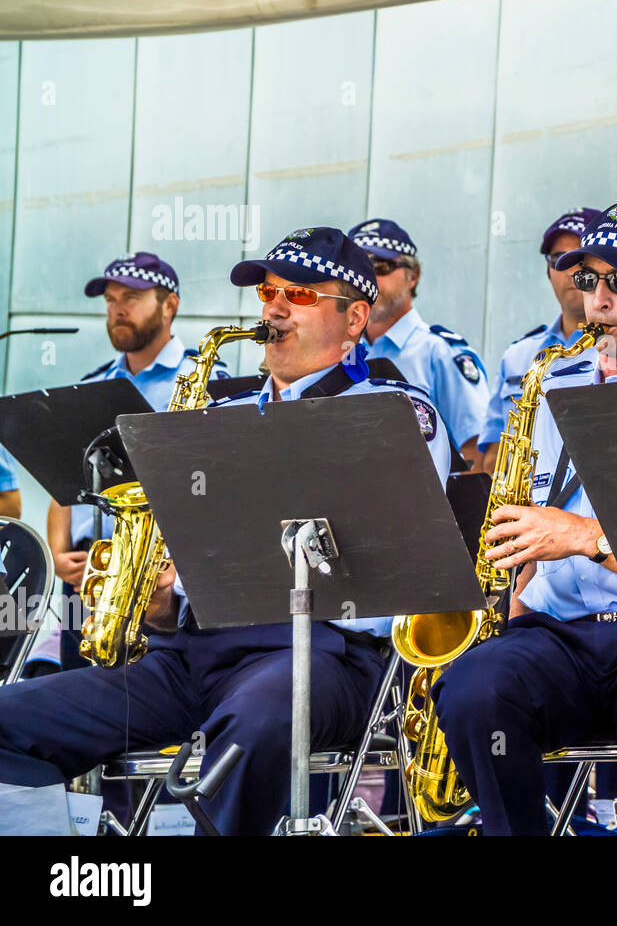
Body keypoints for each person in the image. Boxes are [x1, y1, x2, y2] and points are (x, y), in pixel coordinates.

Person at [0, 227, 451, 835]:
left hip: (326, 655)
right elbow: (180, 586)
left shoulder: (398, 412)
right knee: (12, 715)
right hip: (193, 657)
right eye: (269, 292)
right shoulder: (216, 415)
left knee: (257, 719)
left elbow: (403, 572)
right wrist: (158, 601)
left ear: (354, 320)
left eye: (300, 294)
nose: (275, 306)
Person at [433, 200, 617, 836]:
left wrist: (584, 539)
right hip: (559, 633)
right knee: (472, 690)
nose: (596, 299)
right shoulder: (547, 392)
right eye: (586, 279)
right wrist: (511, 596)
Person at [47, 253, 223, 671]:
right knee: (74, 709)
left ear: (170, 305)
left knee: (139, 715)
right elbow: (64, 484)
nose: (117, 309)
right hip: (85, 576)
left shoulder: (209, 382)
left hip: (154, 582)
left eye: (131, 296)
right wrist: (59, 554)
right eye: (110, 299)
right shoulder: (92, 384)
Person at [347, 219, 489, 471]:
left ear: (413, 276)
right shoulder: (340, 351)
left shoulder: (439, 351)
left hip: (425, 505)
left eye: (381, 266)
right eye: (358, 268)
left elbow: (475, 453)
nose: (368, 279)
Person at [479, 207, 602, 474]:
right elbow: (491, 459)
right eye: (560, 258)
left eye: (582, 258)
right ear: (548, 270)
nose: (571, 270)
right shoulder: (517, 355)